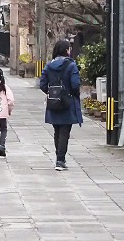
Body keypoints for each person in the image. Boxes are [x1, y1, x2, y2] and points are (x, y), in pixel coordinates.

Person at [39, 39, 83, 171]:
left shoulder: (48, 66)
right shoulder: (71, 65)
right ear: (66, 50)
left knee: (57, 131)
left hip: (53, 102)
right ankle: (60, 160)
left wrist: (52, 92)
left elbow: (42, 84)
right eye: (69, 49)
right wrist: (71, 93)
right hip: (67, 102)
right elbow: (75, 85)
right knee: (64, 131)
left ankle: (59, 157)